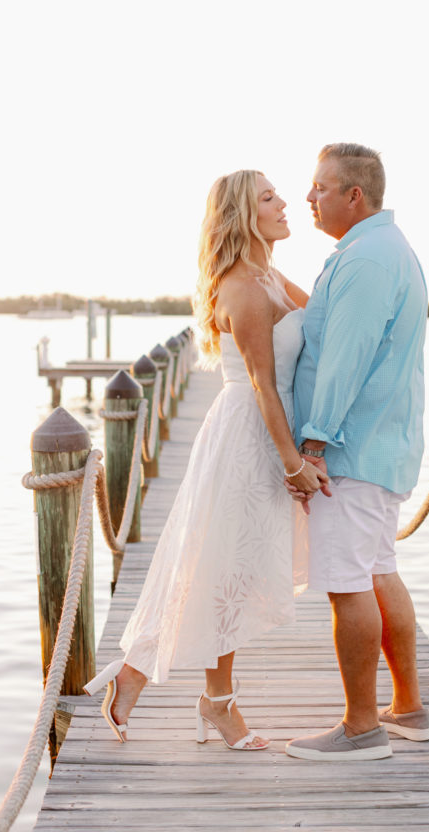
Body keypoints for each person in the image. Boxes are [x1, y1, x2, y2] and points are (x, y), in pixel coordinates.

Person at [84, 169, 328, 750]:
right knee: (223, 572)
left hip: (266, 431)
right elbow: (265, 386)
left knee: (226, 570)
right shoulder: (243, 287)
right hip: (250, 435)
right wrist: (293, 461)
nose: (285, 202)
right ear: (245, 215)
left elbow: (320, 318)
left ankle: (142, 679)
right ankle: (214, 703)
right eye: (270, 198)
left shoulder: (267, 273)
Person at [284, 143, 429, 761]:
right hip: (379, 446)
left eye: (320, 187)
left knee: (348, 584)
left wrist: (313, 443)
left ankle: (361, 727)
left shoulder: (368, 259)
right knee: (376, 572)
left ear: (355, 195)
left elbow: (345, 359)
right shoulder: (374, 251)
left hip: (351, 450)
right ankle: (408, 710)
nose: (308, 198)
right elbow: (332, 328)